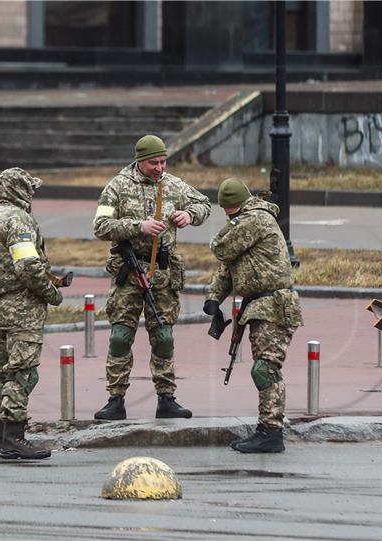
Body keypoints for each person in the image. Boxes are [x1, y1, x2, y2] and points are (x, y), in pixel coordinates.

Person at [93, 134, 211, 420]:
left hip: (162, 274)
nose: (160, 168)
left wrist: (189, 214)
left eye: (163, 161)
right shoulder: (118, 187)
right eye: (153, 163)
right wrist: (138, 226)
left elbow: (205, 204)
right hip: (129, 273)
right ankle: (115, 399)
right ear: (139, 161)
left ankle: (166, 398)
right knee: (121, 336)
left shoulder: (173, 185)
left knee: (163, 336)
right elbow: (100, 225)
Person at [204, 178, 303, 453]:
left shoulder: (256, 219)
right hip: (259, 306)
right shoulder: (246, 222)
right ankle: (266, 429)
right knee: (263, 367)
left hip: (273, 304)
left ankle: (271, 432)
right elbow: (228, 266)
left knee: (265, 369)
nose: (229, 218)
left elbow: (220, 247)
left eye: (229, 214)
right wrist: (213, 299)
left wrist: (231, 225)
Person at [0, 167, 63, 460]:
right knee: (23, 373)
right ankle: (15, 438)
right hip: (22, 309)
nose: (32, 195)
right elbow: (27, 266)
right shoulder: (19, 220)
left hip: (0, 304)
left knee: (4, 372)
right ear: (19, 190)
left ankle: (0, 438)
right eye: (29, 190)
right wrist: (52, 293)